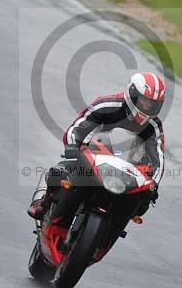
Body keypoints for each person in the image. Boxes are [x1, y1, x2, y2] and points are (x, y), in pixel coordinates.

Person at [27, 71, 166, 220]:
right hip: (93, 158)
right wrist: (73, 147)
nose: (148, 105)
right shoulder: (107, 105)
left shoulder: (153, 126)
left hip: (126, 170)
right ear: (132, 93)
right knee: (59, 172)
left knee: (142, 202)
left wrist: (154, 183)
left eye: (152, 103)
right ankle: (43, 202)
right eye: (144, 100)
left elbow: (158, 157)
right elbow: (77, 127)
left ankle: (113, 229)